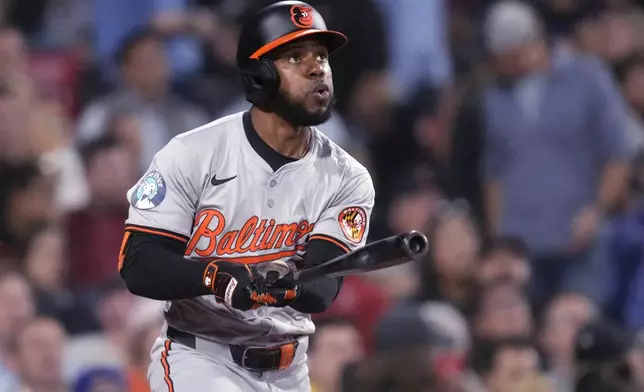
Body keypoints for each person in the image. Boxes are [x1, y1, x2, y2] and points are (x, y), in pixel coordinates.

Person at [118, 2, 375, 391]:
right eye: (294, 57)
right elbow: (139, 263)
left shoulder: (347, 177)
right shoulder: (192, 154)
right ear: (260, 75)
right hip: (201, 358)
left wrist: (285, 284)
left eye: (322, 56)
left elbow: (323, 287)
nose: (317, 68)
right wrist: (213, 275)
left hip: (291, 370)